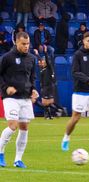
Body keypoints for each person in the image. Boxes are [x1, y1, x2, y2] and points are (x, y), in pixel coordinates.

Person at [61, 32, 89, 152]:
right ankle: (66, 137)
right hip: (80, 92)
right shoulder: (78, 55)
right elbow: (74, 72)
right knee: (76, 118)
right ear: (84, 41)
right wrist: (87, 80)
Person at [0, 32, 38, 168]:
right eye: (23, 44)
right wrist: (6, 87)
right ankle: (0, 153)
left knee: (24, 128)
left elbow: (32, 77)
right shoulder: (7, 58)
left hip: (25, 97)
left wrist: (33, 90)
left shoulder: (32, 59)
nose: (26, 46)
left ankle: (18, 159)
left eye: (27, 44)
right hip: (10, 98)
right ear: (16, 42)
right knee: (12, 126)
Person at [34, 46, 67, 119]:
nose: (41, 63)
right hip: (44, 86)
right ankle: (50, 115)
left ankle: (56, 111)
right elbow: (40, 61)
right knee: (46, 103)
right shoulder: (42, 68)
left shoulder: (49, 68)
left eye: (43, 61)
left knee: (45, 102)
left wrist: (45, 52)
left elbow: (47, 61)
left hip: (48, 87)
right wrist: (37, 55)